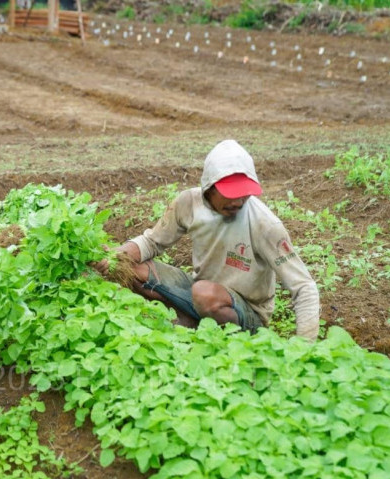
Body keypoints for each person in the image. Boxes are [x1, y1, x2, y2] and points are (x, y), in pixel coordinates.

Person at [95, 139, 320, 341]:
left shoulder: (265, 225)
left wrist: (304, 349)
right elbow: (152, 242)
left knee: (204, 294)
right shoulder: (189, 203)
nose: (239, 201)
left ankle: (224, 339)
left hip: (246, 312)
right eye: (231, 193)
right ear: (209, 188)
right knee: (132, 268)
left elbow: (304, 287)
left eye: (244, 193)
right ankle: (191, 322)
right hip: (200, 294)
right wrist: (115, 256)